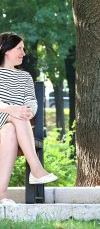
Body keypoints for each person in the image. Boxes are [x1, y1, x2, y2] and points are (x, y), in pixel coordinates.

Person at [0, 32, 58, 205]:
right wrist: (10, 109)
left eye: (23, 49)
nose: (23, 53)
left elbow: (31, 101)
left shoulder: (25, 77)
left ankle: (1, 194)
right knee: (16, 116)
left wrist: (29, 112)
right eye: (19, 48)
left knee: (13, 125)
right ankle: (36, 169)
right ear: (5, 50)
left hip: (13, 130)